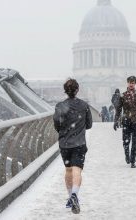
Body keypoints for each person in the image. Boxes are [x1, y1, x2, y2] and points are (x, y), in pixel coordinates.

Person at [53, 78, 93, 214]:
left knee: (68, 170)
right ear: (77, 90)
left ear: (65, 91)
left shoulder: (60, 106)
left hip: (64, 144)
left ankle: (70, 196)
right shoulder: (84, 105)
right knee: (77, 170)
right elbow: (89, 125)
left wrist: (65, 132)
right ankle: (75, 194)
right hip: (79, 143)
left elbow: (56, 125)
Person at [113, 76, 136, 168]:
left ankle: (133, 160)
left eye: (133, 82)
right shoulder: (123, 96)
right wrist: (115, 121)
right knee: (126, 141)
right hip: (126, 120)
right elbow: (118, 110)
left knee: (135, 142)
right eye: (130, 82)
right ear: (127, 83)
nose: (131, 84)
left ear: (135, 84)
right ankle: (127, 155)